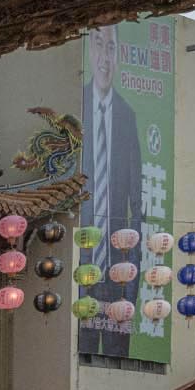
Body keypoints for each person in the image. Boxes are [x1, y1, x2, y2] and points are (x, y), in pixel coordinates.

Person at [80, 24, 143, 357]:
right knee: (82, 351)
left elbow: (139, 207)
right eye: (98, 44)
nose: (105, 57)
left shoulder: (127, 116)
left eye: (112, 47)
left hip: (119, 274)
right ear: (90, 48)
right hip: (83, 272)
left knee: (117, 358)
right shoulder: (76, 110)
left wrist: (131, 288)